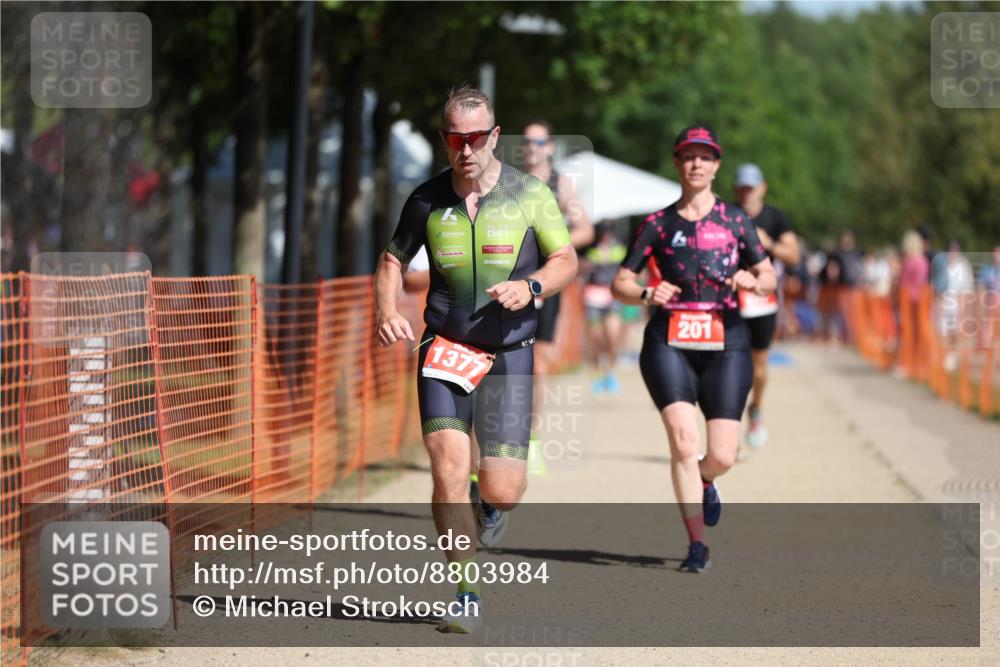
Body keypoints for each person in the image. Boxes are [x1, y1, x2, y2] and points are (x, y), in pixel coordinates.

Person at [374, 85, 577, 633]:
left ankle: (486, 503)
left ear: (494, 137)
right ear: (444, 140)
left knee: (503, 489)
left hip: (509, 351)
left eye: (476, 138)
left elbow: (565, 258)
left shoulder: (529, 193)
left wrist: (532, 286)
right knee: (445, 469)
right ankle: (465, 594)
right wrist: (386, 309)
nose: (466, 149)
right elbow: (392, 260)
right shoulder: (425, 199)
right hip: (442, 348)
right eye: (455, 139)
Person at [612, 126, 776, 573]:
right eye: (689, 156)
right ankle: (697, 544)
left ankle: (706, 479)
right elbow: (620, 281)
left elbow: (769, 277)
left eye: (706, 157)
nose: (697, 164)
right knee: (684, 442)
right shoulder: (657, 224)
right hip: (670, 341)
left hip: (727, 340)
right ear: (678, 164)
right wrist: (646, 294)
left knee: (722, 453)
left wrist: (753, 279)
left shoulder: (737, 222)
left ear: (717, 165)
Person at [732, 163, 800, 449]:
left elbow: (794, 256)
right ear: (737, 190)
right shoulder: (728, 216)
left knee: (759, 368)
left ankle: (756, 409)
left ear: (762, 188)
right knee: (732, 365)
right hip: (732, 299)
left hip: (764, 301)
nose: (747, 193)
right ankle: (729, 429)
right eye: (742, 188)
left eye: (752, 187)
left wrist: (768, 244)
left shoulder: (775, 217)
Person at [581, 222, 628, 394]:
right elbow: (579, 268)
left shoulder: (620, 249)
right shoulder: (589, 249)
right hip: (593, 295)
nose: (606, 236)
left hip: (612, 295)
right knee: (596, 338)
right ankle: (598, 373)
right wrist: (587, 263)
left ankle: (611, 372)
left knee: (613, 334)